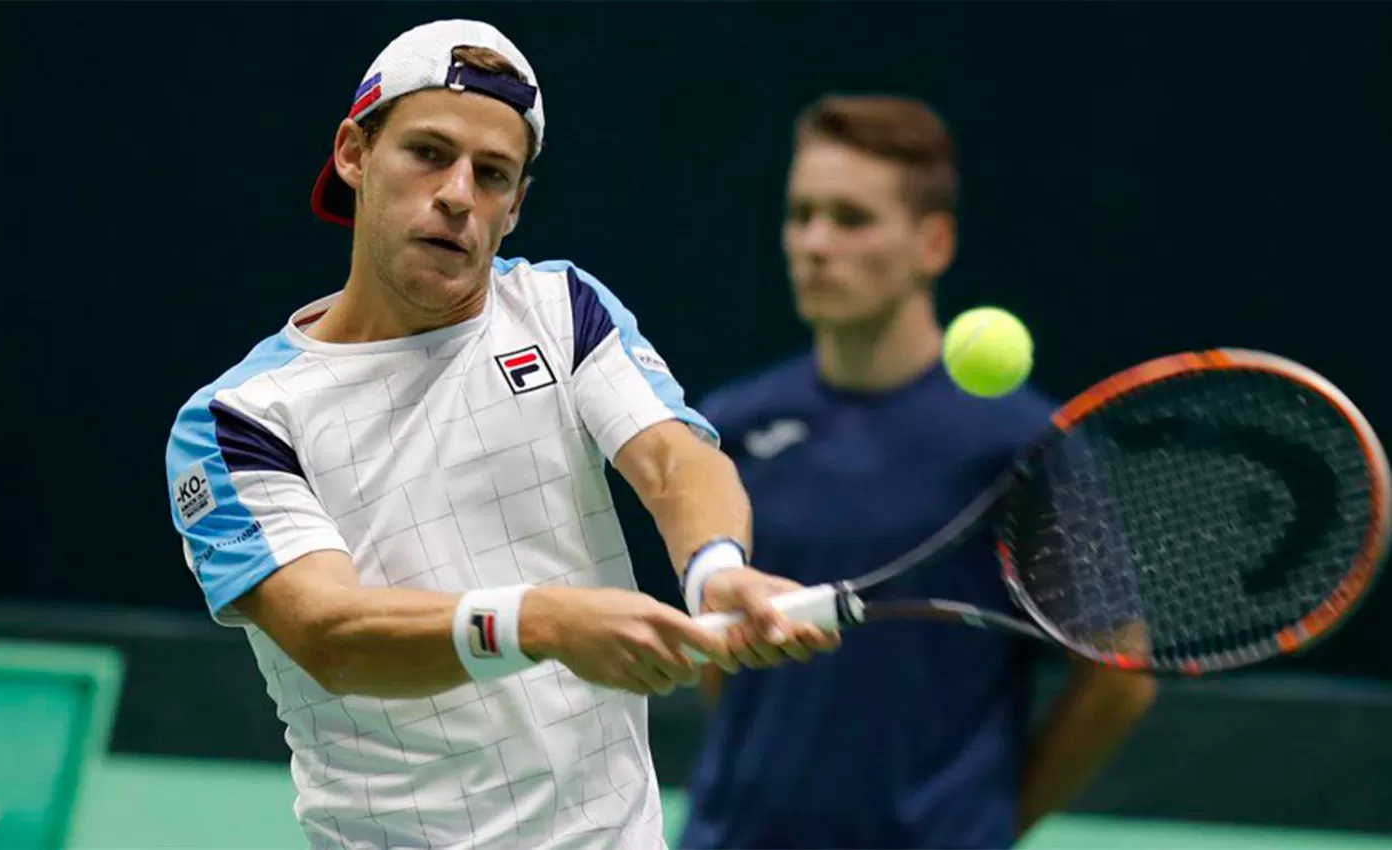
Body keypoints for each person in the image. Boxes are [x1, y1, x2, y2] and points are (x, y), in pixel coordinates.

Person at [161, 20, 836, 850]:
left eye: (492, 175)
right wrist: (541, 622)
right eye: (428, 153)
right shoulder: (240, 421)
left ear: (515, 205)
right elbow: (330, 636)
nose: (457, 195)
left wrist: (717, 567)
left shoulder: (561, 311)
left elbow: (674, 460)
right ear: (353, 153)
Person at [678, 95, 1158, 849]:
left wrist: (993, 823)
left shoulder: (1023, 444)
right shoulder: (733, 424)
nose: (814, 243)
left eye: (851, 218)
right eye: (801, 214)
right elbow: (721, 650)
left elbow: (1119, 674)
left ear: (933, 243)